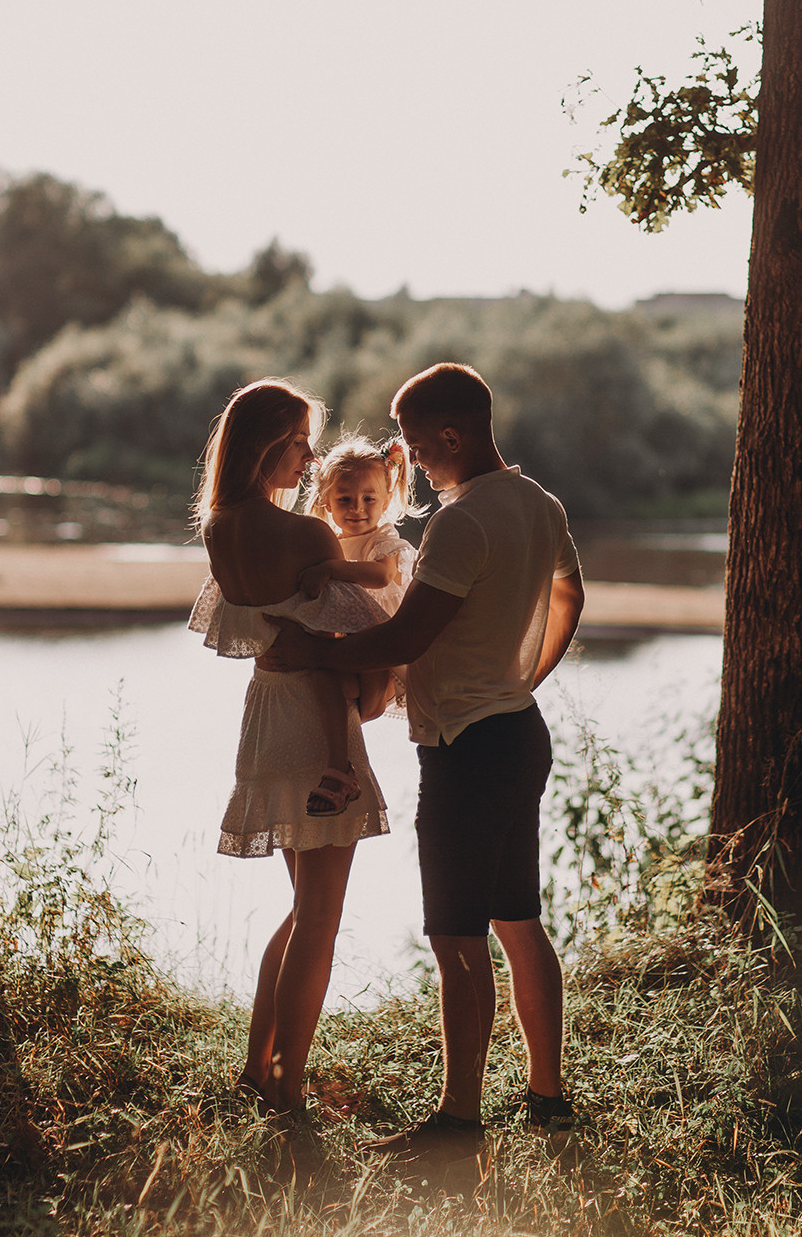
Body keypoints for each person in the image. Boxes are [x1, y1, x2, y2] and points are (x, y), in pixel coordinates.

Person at [264, 362, 585, 1166]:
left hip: (465, 751)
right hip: (518, 731)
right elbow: (570, 596)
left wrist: (317, 646)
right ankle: (547, 1096)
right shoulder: (540, 503)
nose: (408, 455)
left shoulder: (462, 523)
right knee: (518, 921)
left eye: (413, 439)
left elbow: (407, 638)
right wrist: (520, 680)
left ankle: (458, 1122)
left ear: (451, 434)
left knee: (456, 937)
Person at [188, 379, 392, 1115]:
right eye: (302, 441)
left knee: (304, 907)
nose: (310, 459)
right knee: (320, 917)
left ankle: (257, 1068)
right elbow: (366, 638)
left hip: (265, 720)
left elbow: (253, 638)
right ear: (270, 442)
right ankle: (288, 1087)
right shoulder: (307, 536)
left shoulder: (219, 529)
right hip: (316, 724)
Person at [297, 435, 421, 812]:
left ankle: (339, 763)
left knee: (356, 698)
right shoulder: (326, 541)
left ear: (386, 500)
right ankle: (339, 769)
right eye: (344, 500)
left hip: (380, 650)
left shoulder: (384, 541)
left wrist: (332, 568)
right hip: (347, 649)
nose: (357, 509)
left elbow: (381, 577)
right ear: (325, 502)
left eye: (369, 499)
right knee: (322, 678)